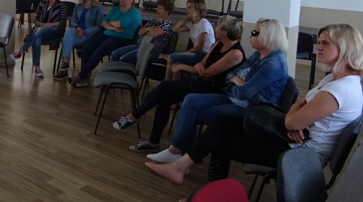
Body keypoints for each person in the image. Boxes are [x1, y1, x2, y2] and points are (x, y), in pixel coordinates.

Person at [145, 23, 363, 187]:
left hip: (301, 154)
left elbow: (291, 119)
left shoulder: (340, 89)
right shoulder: (334, 79)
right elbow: (298, 106)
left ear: (344, 47)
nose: (318, 47)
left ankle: (206, 192)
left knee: (221, 142)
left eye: (325, 43)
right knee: (222, 122)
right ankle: (179, 168)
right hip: (293, 139)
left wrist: (295, 119)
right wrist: (297, 116)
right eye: (319, 42)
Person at [145, 18, 289, 164]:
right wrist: (238, 82)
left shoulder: (272, 64)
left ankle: (179, 153)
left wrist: (237, 83)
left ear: (267, 36)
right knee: (190, 100)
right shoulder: (258, 55)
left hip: (250, 109)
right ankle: (177, 152)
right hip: (235, 98)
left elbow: (244, 93)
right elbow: (231, 75)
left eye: (254, 33)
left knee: (191, 112)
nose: (250, 35)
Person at [113, 15, 245, 152]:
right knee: (165, 99)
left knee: (165, 86)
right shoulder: (218, 44)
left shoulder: (235, 53)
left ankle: (133, 116)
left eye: (217, 26)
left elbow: (207, 73)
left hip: (215, 90)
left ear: (224, 32)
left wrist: (182, 66)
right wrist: (199, 66)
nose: (215, 28)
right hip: (203, 83)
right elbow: (203, 63)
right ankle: (152, 143)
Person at [68, 0, 142, 88]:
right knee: (86, 47)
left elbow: (119, 24)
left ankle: (80, 76)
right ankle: (84, 77)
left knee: (99, 51)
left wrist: (111, 23)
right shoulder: (115, 9)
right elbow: (103, 22)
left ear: (132, 0)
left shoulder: (134, 12)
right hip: (108, 34)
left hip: (123, 38)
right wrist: (113, 27)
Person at [10, 0, 67, 78]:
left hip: (54, 31)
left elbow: (61, 23)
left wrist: (44, 25)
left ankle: (20, 51)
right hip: (40, 30)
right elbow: (36, 18)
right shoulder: (42, 3)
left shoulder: (62, 5)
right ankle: (37, 68)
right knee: (37, 39)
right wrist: (38, 23)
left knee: (39, 30)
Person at [53, 0, 103, 81]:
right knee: (69, 32)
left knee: (66, 41)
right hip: (76, 31)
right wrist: (78, 28)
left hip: (89, 33)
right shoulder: (78, 6)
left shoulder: (98, 7)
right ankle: (66, 64)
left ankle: (64, 69)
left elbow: (99, 27)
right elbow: (72, 21)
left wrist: (84, 31)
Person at [109, 0, 175, 65]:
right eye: (157, 8)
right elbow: (140, 32)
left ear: (167, 11)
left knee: (124, 59)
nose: (157, 10)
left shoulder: (167, 24)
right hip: (139, 45)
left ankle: (124, 71)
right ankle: (112, 71)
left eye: (160, 8)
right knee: (115, 54)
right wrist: (148, 29)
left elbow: (152, 34)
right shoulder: (153, 21)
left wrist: (148, 30)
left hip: (150, 50)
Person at [165, 0, 215, 81]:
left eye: (190, 7)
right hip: (197, 54)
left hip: (204, 55)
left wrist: (185, 53)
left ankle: (166, 83)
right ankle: (175, 86)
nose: (186, 9)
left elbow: (200, 47)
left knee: (171, 57)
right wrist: (185, 18)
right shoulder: (192, 24)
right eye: (187, 7)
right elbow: (174, 29)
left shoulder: (203, 23)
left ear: (197, 10)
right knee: (176, 64)